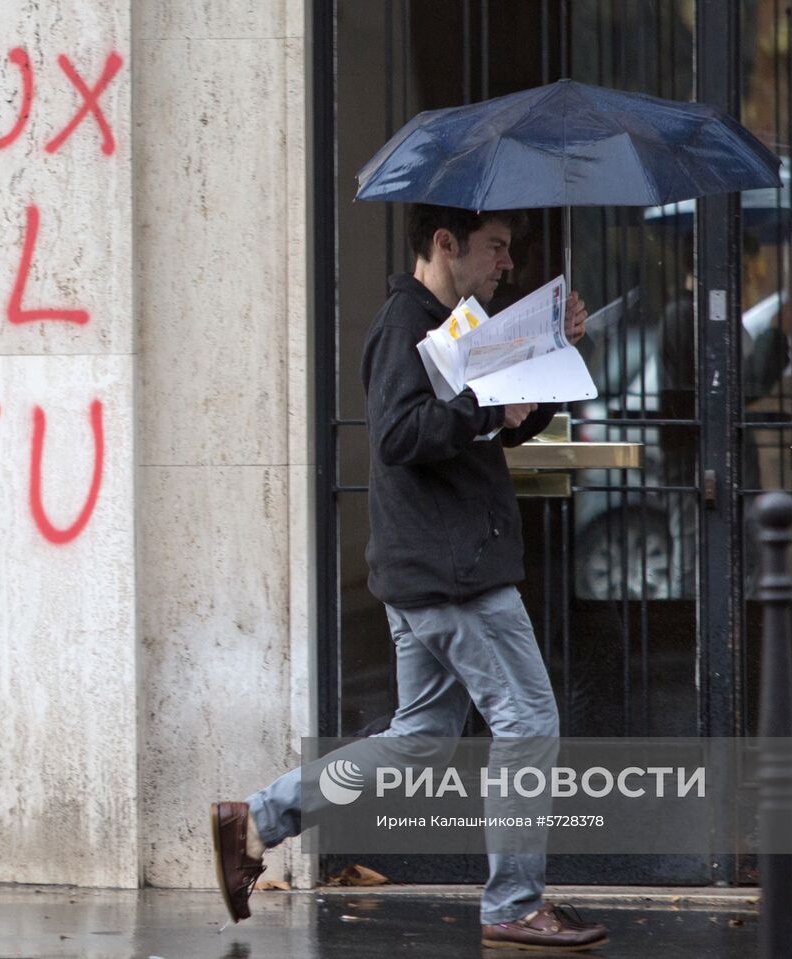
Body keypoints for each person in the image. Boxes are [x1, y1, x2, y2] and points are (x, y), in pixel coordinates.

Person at [211, 204, 608, 952]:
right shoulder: (405, 323)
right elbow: (399, 435)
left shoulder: (452, 321)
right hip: (455, 577)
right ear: (444, 243)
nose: (507, 265)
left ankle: (256, 819)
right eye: (494, 248)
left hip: (432, 569)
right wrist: (479, 406)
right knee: (529, 723)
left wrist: (548, 355)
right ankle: (513, 903)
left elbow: (496, 424)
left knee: (420, 737)